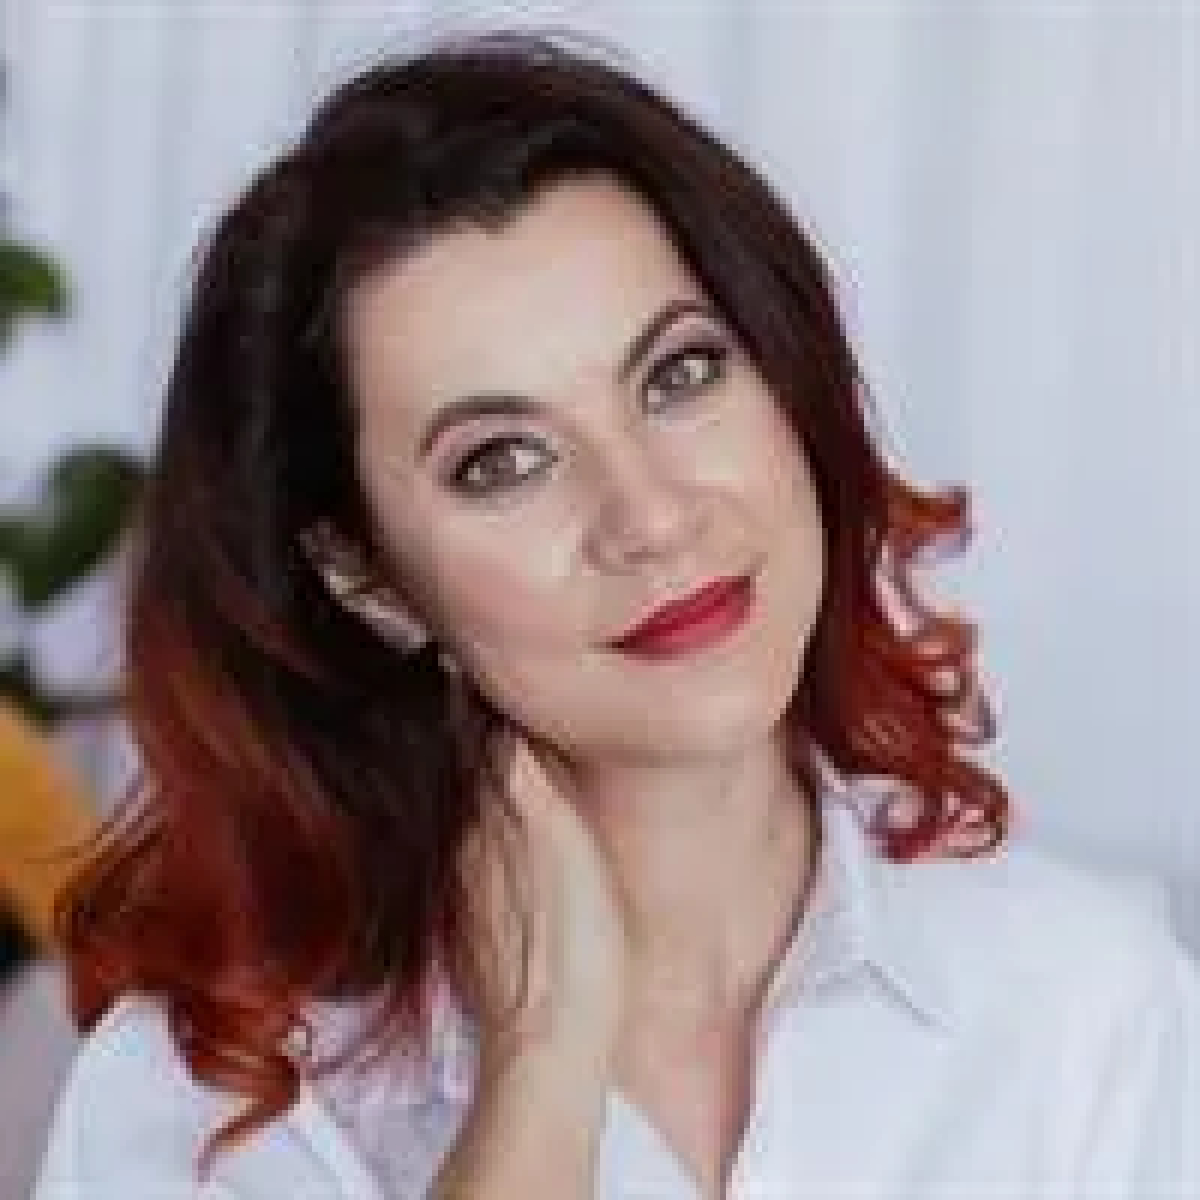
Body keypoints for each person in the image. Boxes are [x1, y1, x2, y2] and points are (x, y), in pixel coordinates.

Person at [31, 30, 1198, 1200]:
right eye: (503, 461)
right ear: (366, 576)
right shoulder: (204, 1108)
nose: (651, 516)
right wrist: (541, 1061)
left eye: (679, 376)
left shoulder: (1084, 1009)